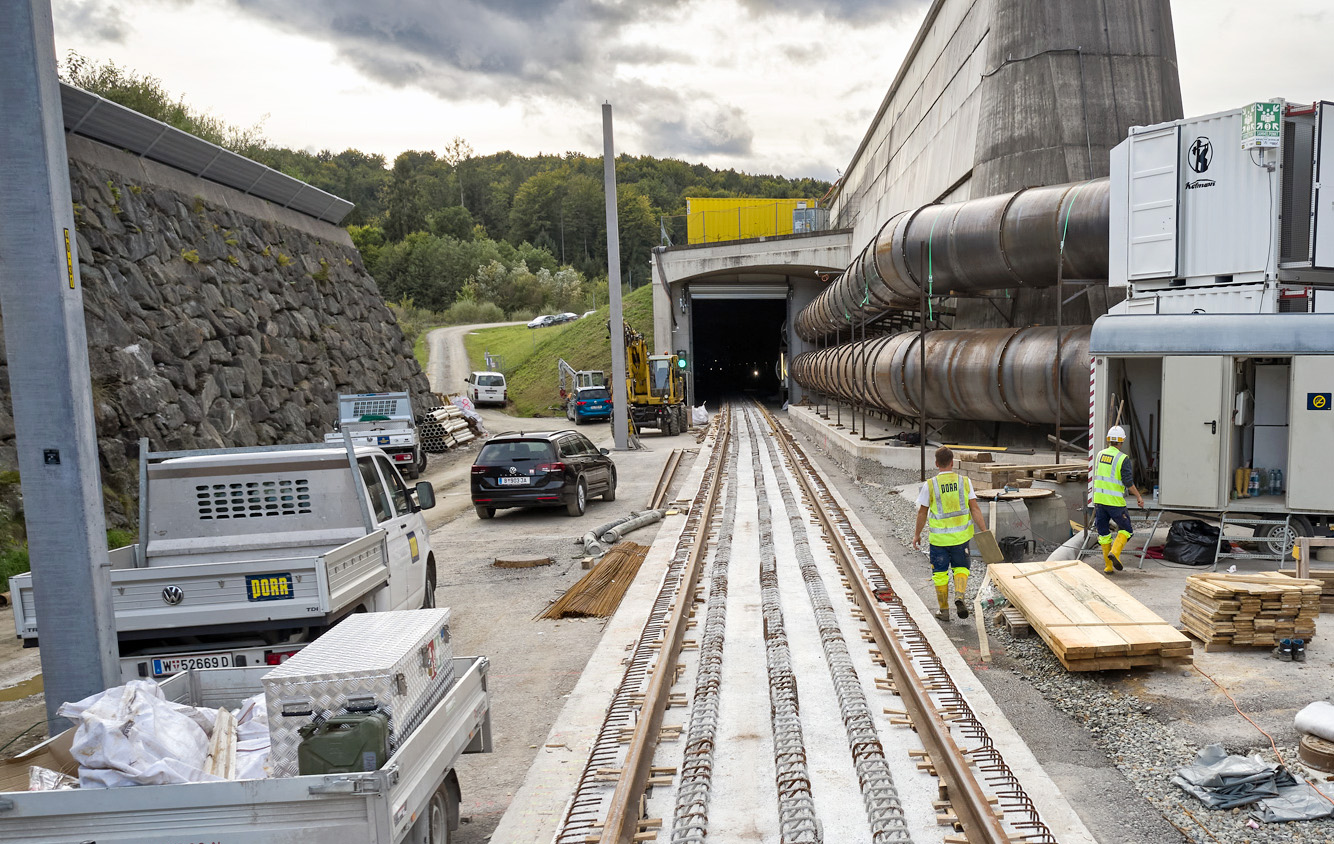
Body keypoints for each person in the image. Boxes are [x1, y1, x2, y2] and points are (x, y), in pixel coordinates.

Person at [912, 446, 988, 621]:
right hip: (960, 538)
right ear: (953, 462)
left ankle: (944, 610)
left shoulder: (930, 485)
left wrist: (917, 535)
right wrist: (984, 531)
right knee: (961, 568)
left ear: (937, 463)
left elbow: (922, 513)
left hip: (939, 540)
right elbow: (974, 508)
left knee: (940, 573)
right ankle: (959, 596)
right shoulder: (964, 481)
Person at [1093, 425, 1146, 573]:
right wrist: (1138, 496)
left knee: (1104, 534)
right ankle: (1114, 553)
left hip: (1099, 501)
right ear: (1122, 441)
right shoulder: (1123, 458)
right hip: (1115, 503)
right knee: (1127, 530)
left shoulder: (1099, 455)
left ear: (1108, 440)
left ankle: (1108, 567)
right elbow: (1128, 482)